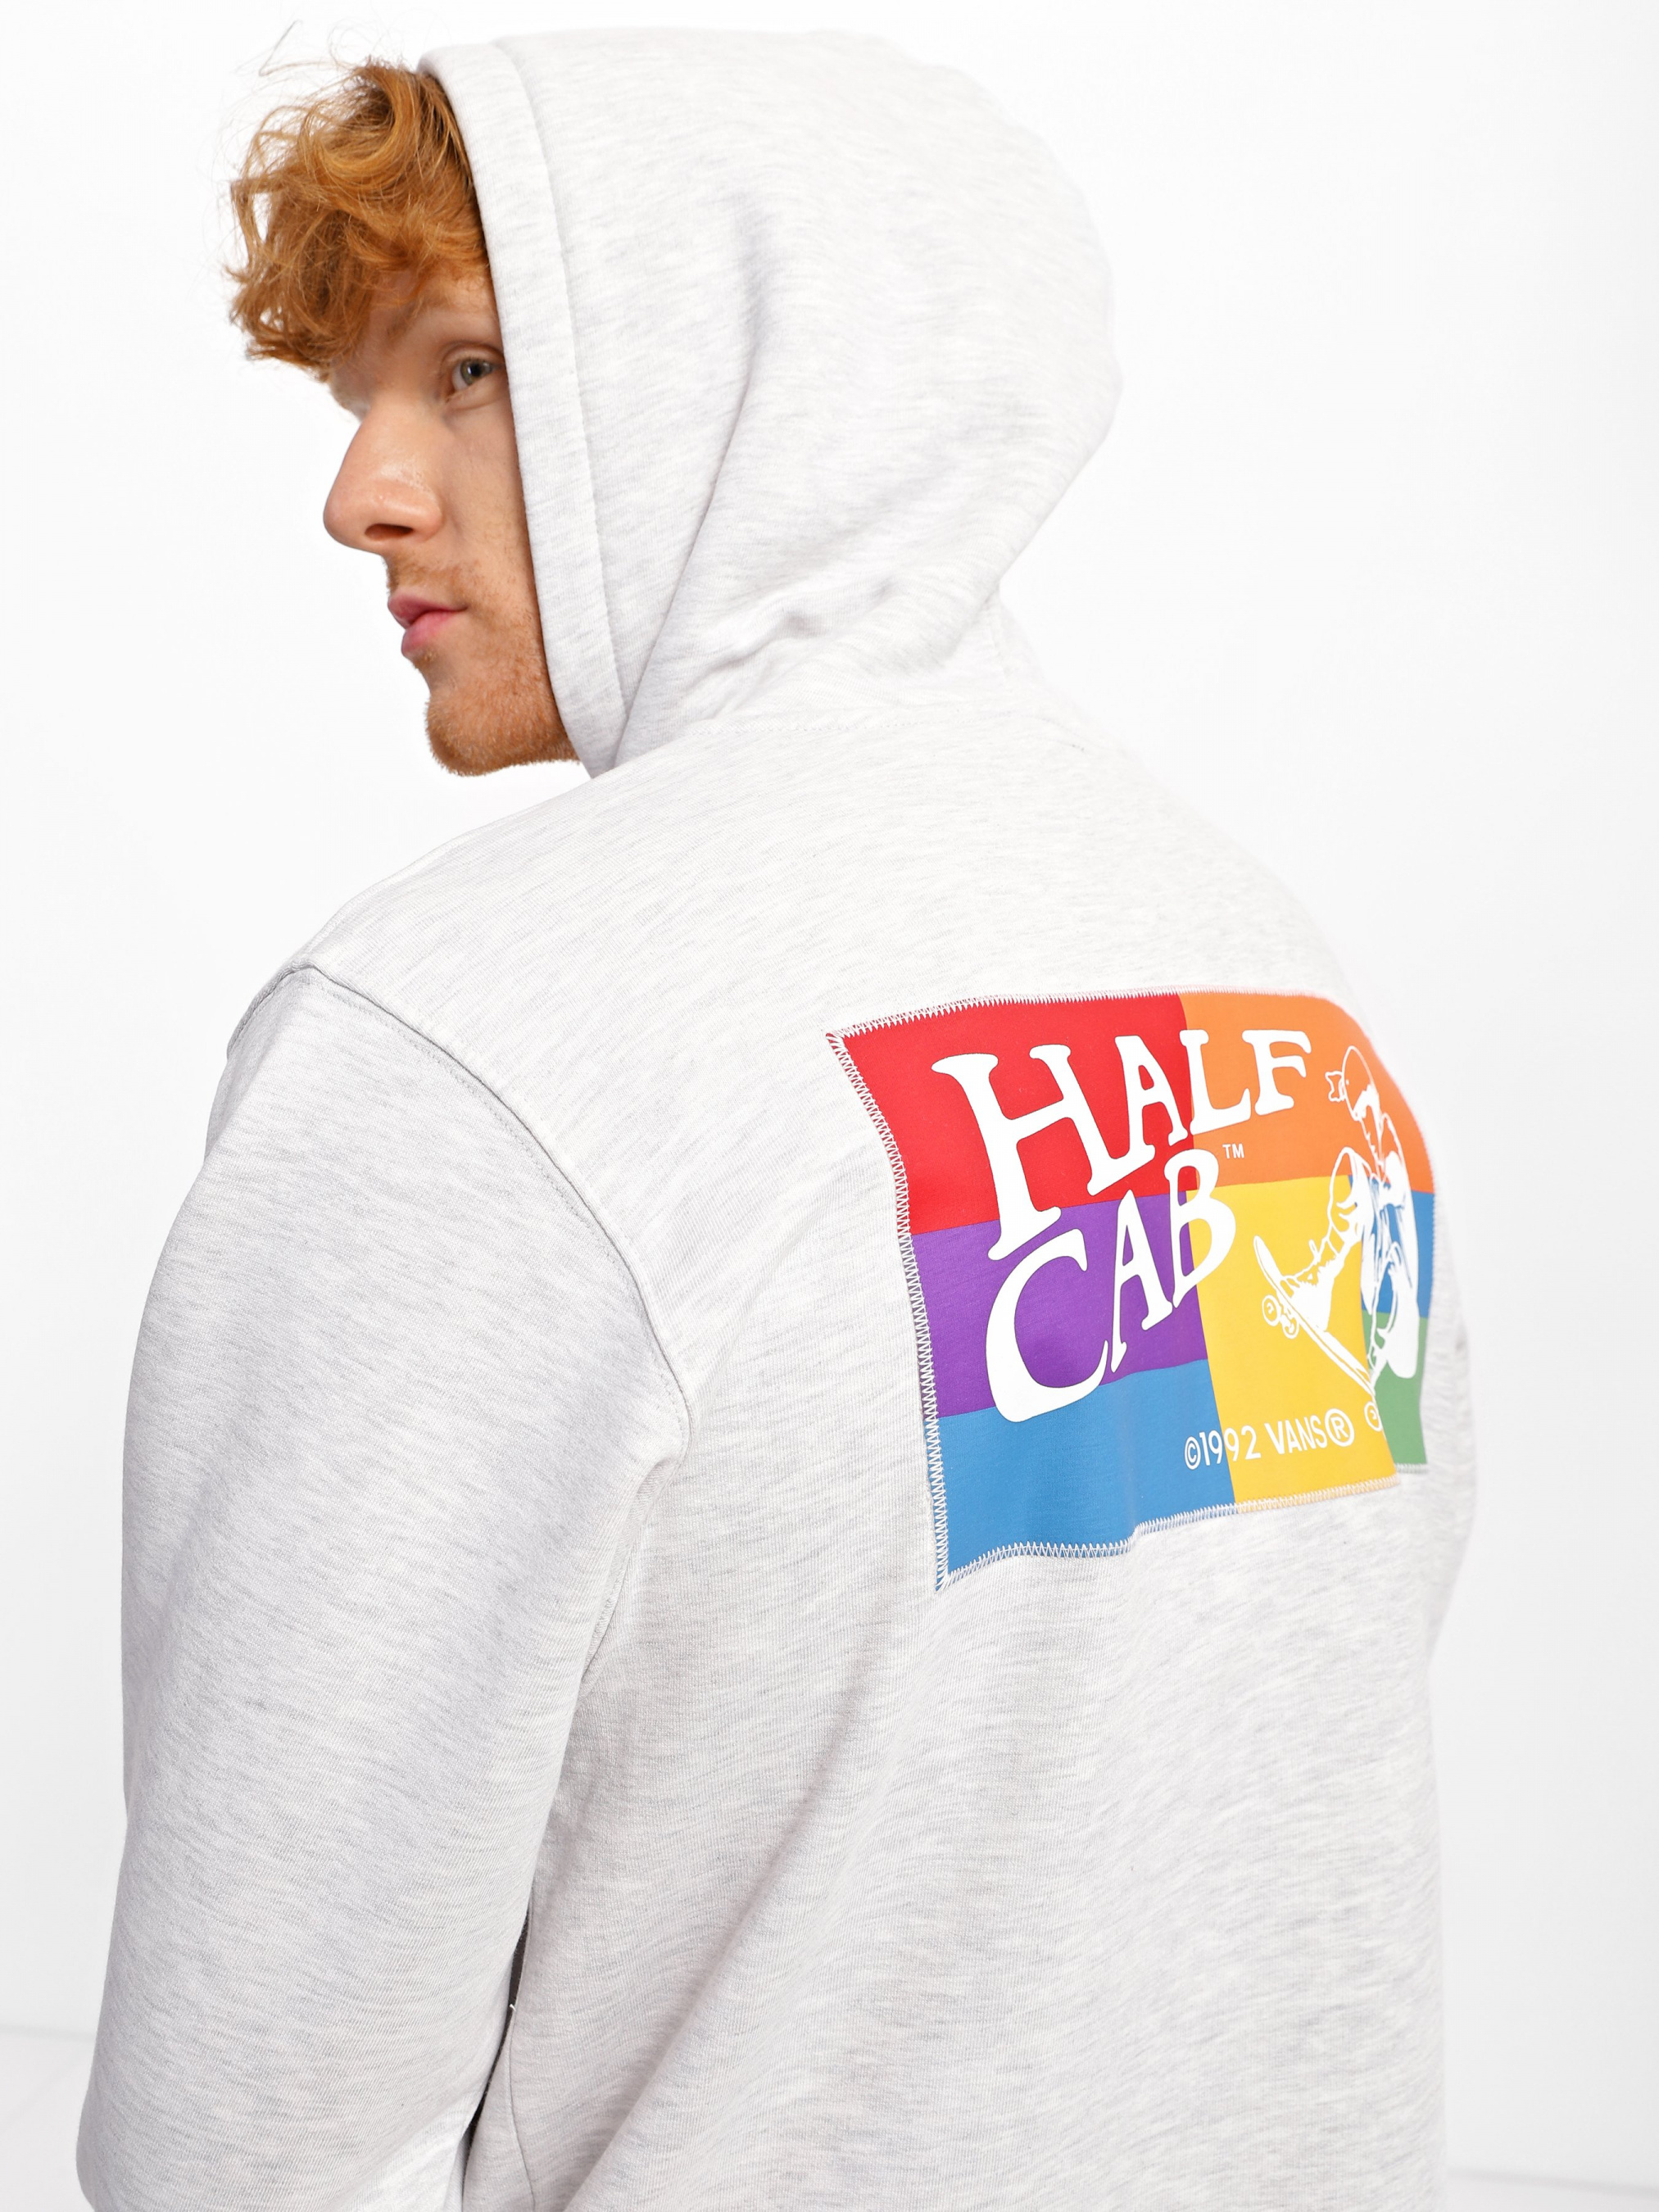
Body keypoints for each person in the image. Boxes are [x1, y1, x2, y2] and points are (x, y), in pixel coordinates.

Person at [79, 33, 1475, 2211]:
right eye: (356, 395)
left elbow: (249, 2136)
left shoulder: (466, 1052)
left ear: (759, 376)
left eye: (468, 371)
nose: (359, 492)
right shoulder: (1269, 998)